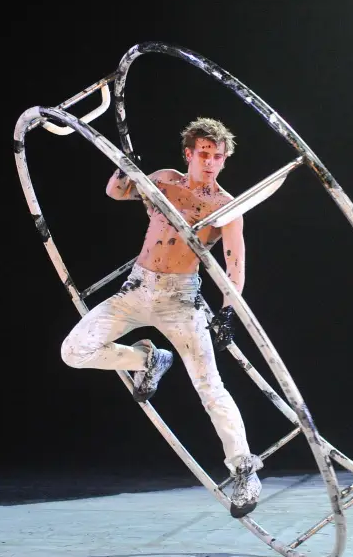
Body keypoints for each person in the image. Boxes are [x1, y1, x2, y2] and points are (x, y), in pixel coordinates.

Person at [60, 117, 263, 518]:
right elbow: (116, 191)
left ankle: (244, 469)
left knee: (210, 387)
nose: (211, 163)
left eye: (218, 157)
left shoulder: (225, 206)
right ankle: (149, 359)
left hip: (180, 299)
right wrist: (126, 168)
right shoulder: (166, 180)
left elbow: (234, 264)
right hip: (137, 290)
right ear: (189, 154)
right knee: (74, 351)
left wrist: (227, 311)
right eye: (204, 154)